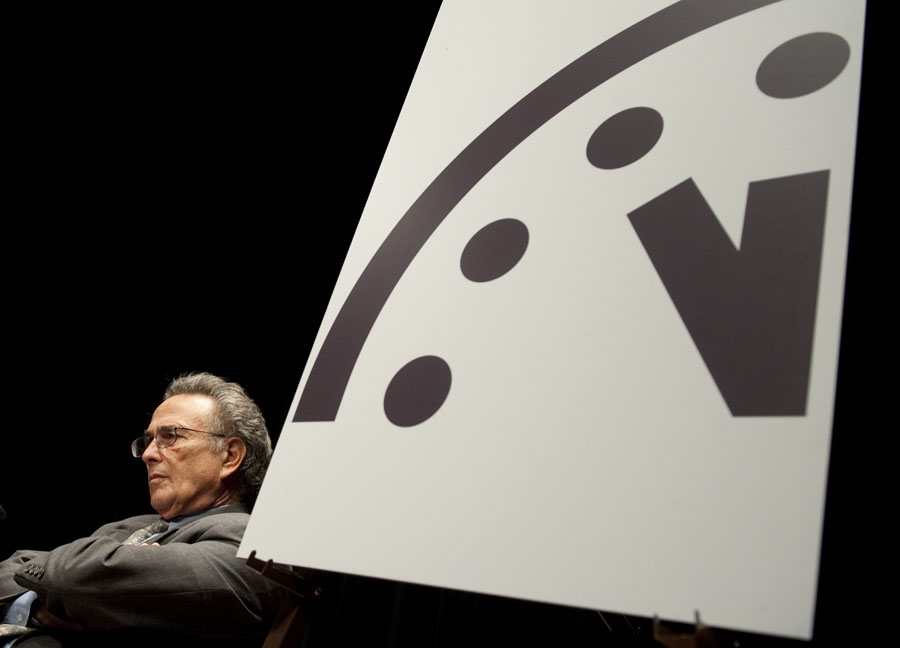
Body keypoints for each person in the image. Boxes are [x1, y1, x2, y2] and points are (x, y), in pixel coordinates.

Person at [0, 373, 284, 647]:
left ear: (230, 455)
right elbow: (12, 570)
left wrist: (68, 580)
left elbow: (71, 578)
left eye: (171, 436)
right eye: (149, 440)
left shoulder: (251, 546)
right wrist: (39, 603)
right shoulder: (129, 527)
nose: (148, 454)